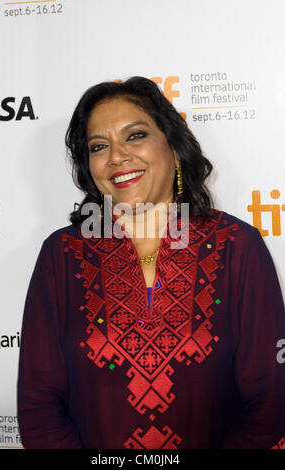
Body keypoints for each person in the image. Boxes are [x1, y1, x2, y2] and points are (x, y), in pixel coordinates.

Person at [17, 76, 285, 449]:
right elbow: (38, 404)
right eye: (99, 146)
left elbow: (270, 401)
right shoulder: (63, 254)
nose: (116, 157)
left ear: (174, 146)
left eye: (135, 135)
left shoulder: (237, 246)